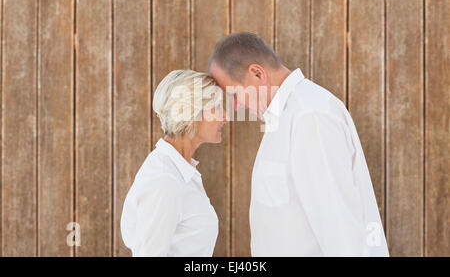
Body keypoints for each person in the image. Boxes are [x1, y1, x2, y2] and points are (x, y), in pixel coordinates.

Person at [208, 32, 389, 256]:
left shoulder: (309, 116)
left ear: (257, 74)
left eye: (233, 95)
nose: (234, 107)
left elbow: (339, 226)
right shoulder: (285, 117)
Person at [120, 70, 227, 256]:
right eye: (216, 108)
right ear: (191, 114)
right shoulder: (164, 181)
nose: (225, 117)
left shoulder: (180, 171)